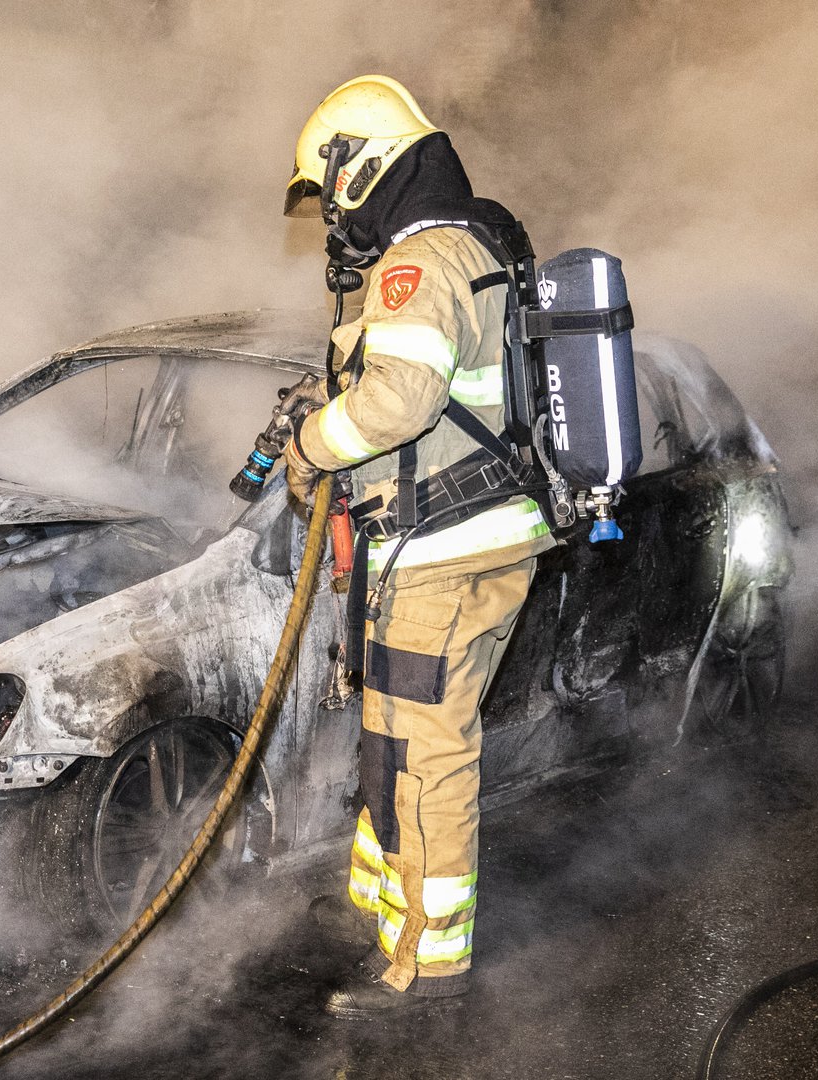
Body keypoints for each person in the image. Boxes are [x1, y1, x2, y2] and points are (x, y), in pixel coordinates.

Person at [281, 75, 556, 1020]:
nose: (332, 218)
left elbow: (398, 405)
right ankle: (382, 909)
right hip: (448, 545)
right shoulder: (470, 245)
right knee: (393, 736)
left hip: (445, 552)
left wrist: (311, 444)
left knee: (429, 754)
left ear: (361, 170)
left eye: (329, 193)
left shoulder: (420, 261)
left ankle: (427, 965)